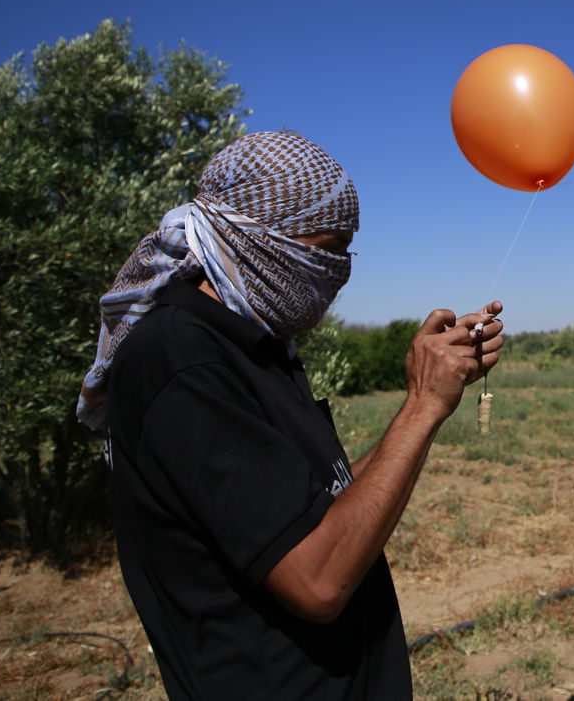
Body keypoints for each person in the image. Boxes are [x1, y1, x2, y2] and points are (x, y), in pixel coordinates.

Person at [77, 130, 502, 700]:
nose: (339, 269)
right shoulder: (182, 361)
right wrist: (423, 407)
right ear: (256, 238)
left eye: (348, 252)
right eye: (327, 248)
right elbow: (318, 580)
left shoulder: (256, 344)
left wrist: (422, 398)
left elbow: (317, 508)